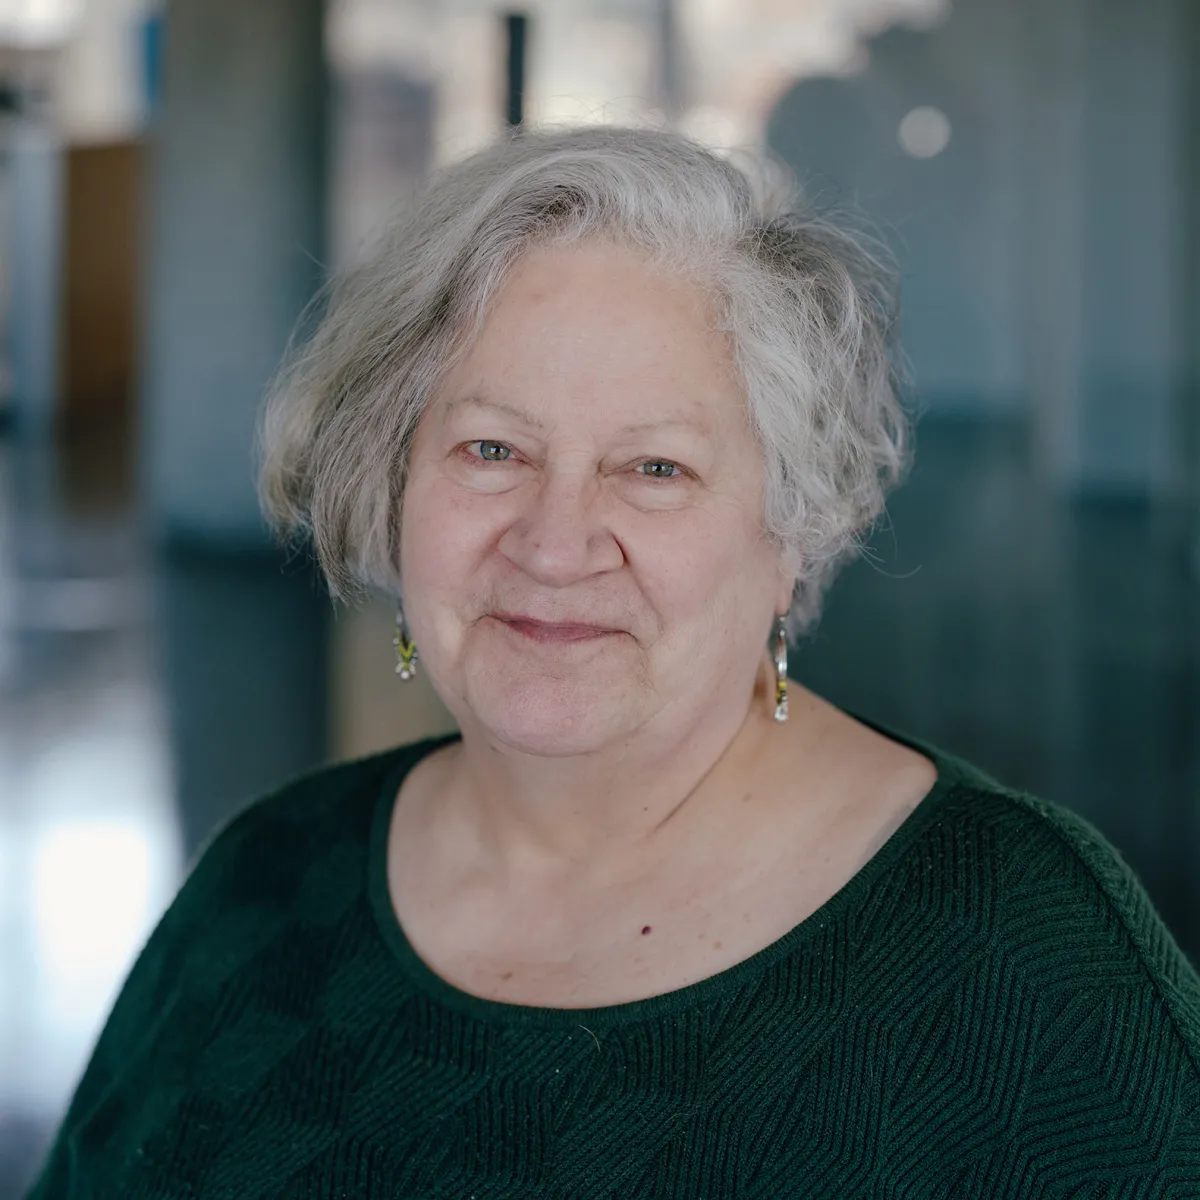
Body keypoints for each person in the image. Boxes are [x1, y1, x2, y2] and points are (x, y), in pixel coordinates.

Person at [28, 126, 1200, 1198]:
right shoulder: (267, 879)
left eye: (655, 469)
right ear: (392, 485)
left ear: (790, 535)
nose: (554, 545)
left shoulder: (1022, 951)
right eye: (492, 449)